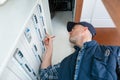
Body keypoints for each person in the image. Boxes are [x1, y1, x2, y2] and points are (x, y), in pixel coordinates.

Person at [39, 21, 120, 80]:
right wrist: (49, 47)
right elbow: (45, 75)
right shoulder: (66, 62)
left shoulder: (112, 52)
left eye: (73, 28)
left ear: (85, 29)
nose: (69, 32)